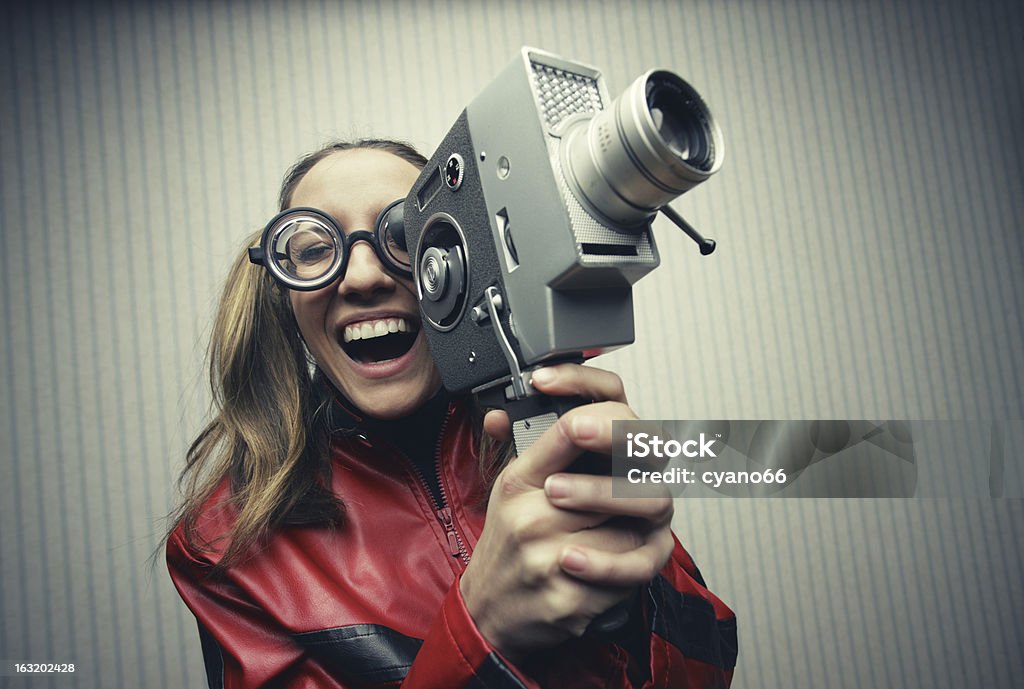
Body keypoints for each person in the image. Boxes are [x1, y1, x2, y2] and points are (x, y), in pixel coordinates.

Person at [166, 139, 737, 688]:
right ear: (284, 292)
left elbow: (709, 662)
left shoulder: (555, 425)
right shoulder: (221, 546)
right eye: (315, 249)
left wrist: (633, 595)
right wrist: (480, 631)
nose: (363, 277)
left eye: (405, 234)